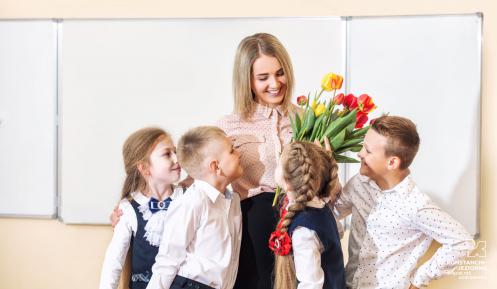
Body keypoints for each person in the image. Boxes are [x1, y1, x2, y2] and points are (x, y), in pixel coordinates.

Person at [334, 115, 475, 289]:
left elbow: (462, 242)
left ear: (392, 162)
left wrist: (418, 281)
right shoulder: (359, 183)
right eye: (364, 146)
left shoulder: (415, 205)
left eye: (368, 151)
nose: (360, 153)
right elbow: (333, 212)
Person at [216, 32, 298, 289]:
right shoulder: (228, 126)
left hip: (300, 222)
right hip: (253, 229)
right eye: (263, 78)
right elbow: (200, 178)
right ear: (247, 81)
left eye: (280, 73)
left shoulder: (307, 119)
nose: (275, 83)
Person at [146, 126, 243, 289]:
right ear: (215, 166)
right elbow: (168, 260)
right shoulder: (192, 202)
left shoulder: (233, 201)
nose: (240, 153)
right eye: (232, 151)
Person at [99, 127, 183, 289]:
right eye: (167, 154)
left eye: (175, 152)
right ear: (144, 168)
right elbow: (114, 261)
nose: (176, 158)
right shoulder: (128, 209)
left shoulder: (188, 198)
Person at [272, 141, 346, 289]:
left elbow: (311, 284)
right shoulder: (321, 206)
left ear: (287, 183)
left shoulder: (304, 231)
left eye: (279, 163)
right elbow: (338, 233)